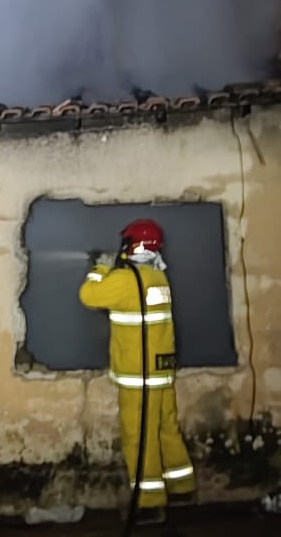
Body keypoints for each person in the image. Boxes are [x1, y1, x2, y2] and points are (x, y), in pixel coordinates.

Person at [79, 218, 196, 526]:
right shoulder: (158, 277)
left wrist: (100, 268)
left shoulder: (124, 279)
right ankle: (183, 489)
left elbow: (89, 296)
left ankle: (148, 503)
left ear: (131, 246)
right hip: (161, 373)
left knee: (138, 435)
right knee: (166, 428)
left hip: (137, 376)